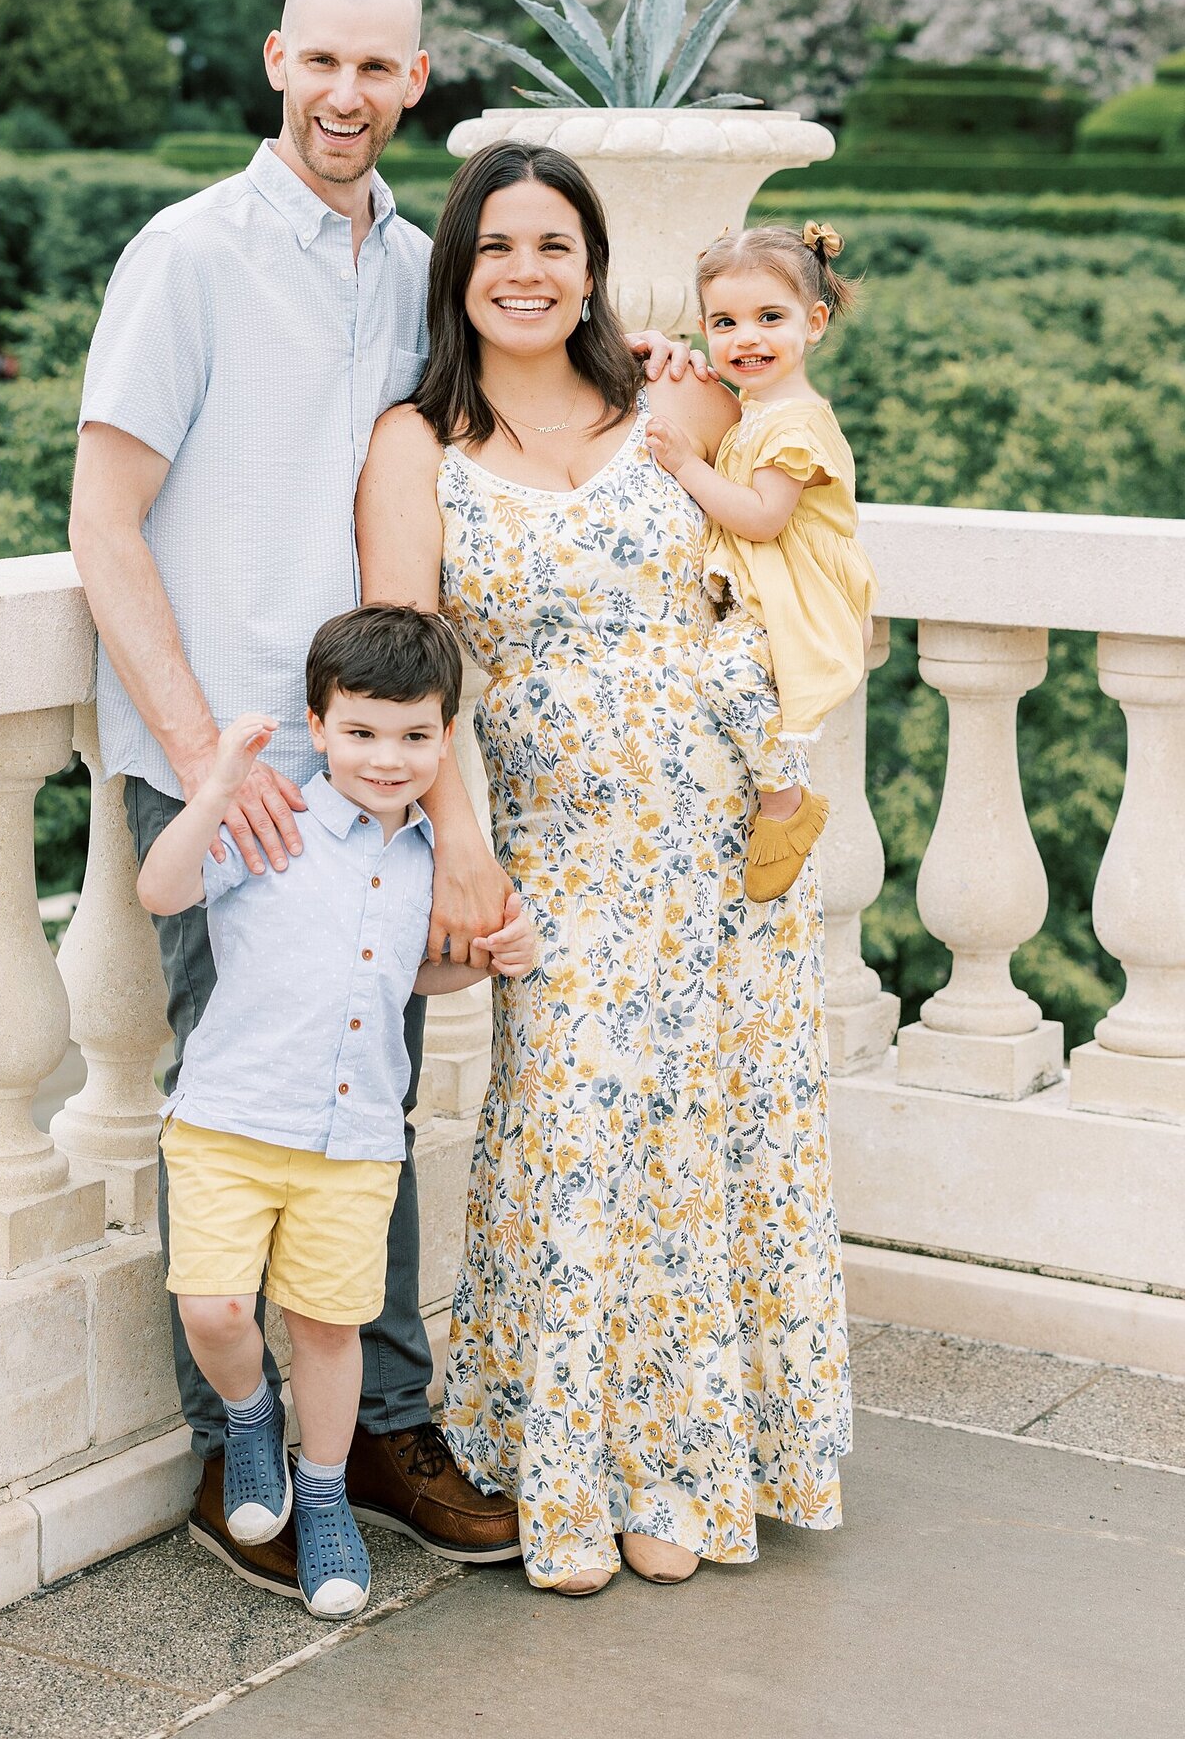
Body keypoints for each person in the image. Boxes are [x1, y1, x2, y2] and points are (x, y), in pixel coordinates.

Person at [69, 0, 693, 1591]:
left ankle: (387, 1430)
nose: (345, 93)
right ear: (277, 58)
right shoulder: (186, 256)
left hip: (384, 768)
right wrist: (207, 750)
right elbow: (101, 521)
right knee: (237, 1094)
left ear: (417, 84)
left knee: (373, 1094)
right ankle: (240, 1457)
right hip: (232, 768)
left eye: (378, 68)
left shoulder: (426, 268)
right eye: (319, 60)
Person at [357, 141, 851, 1595]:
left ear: (592, 268)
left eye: (555, 245)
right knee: (577, 1133)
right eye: (498, 244)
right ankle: (570, 1460)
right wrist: (460, 844)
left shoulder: (673, 400)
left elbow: (787, 492)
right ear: (461, 267)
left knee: (707, 1138)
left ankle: (687, 1465)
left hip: (719, 840)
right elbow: (410, 659)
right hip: (561, 851)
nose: (526, 270)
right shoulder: (415, 443)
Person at [134, 606, 537, 1619]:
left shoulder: (425, 864)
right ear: (317, 727)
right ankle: (246, 1420)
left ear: (445, 739)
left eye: (413, 737)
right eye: (360, 733)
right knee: (217, 1310)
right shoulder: (272, 824)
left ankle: (323, 1497)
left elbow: (417, 973)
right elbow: (160, 888)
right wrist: (218, 782)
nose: (387, 758)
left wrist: (489, 963)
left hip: (350, 1142)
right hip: (231, 1125)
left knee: (327, 1324)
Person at [646, 220, 878, 902]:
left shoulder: (796, 423)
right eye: (726, 322)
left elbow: (761, 515)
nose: (745, 338)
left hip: (801, 592)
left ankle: (784, 798)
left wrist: (686, 462)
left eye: (768, 318)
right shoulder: (756, 406)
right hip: (770, 584)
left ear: (814, 323)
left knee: (725, 675)